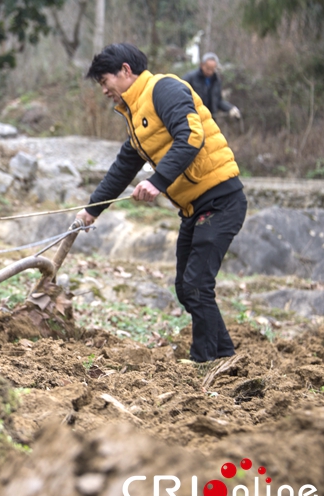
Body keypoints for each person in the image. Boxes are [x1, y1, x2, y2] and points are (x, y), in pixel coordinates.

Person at [76, 43, 247, 364]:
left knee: (197, 285)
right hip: (194, 209)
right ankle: (224, 357)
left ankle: (204, 361)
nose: (103, 91)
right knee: (186, 288)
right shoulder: (136, 116)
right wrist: (91, 210)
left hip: (221, 200)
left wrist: (157, 182)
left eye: (104, 82)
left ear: (125, 71)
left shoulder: (164, 89)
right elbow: (122, 168)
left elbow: (191, 137)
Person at [183, 52, 241, 120]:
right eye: (208, 68)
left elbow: (218, 100)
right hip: (193, 118)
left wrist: (230, 109)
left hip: (210, 120)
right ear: (202, 65)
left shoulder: (216, 81)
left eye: (212, 69)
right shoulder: (190, 78)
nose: (210, 72)